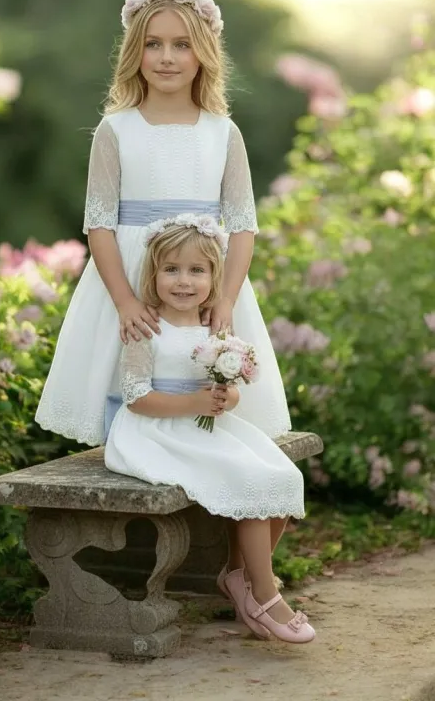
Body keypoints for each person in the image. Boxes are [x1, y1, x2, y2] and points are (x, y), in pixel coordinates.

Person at [35, 0, 291, 449]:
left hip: (203, 278)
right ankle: (135, 449)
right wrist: (126, 301)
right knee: (132, 373)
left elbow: (243, 226)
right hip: (132, 273)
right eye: (153, 44)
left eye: (181, 45)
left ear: (203, 54)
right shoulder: (115, 130)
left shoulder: (223, 132)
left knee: (200, 373)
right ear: (136, 52)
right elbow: (99, 224)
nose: (166, 57)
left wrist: (226, 298)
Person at [105, 217, 314, 644]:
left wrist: (223, 400)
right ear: (154, 274)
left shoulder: (214, 328)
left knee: (284, 476)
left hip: (205, 427)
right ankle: (265, 593)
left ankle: (240, 576)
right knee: (253, 481)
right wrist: (194, 404)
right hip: (155, 431)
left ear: (213, 277)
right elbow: (136, 397)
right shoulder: (146, 327)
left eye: (196, 270)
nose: (184, 282)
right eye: (172, 270)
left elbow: (231, 391)